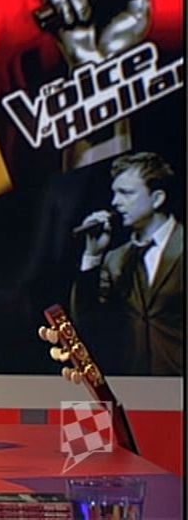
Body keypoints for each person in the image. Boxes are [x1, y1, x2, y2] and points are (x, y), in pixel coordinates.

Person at [39, 152, 184, 377]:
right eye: (115, 193)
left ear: (157, 199)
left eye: (126, 193)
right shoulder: (116, 258)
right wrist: (92, 255)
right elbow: (88, 322)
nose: (115, 202)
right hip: (134, 384)